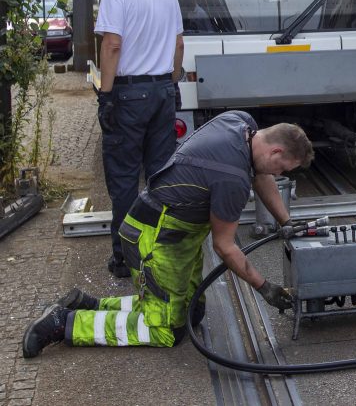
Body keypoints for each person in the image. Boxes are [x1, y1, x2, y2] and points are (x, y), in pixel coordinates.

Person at [22, 111, 315, 357]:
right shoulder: (232, 178)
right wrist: (264, 287)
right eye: (281, 168)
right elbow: (225, 247)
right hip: (155, 241)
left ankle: (89, 303)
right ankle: (65, 322)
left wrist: (285, 221)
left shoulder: (241, 123)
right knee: (166, 331)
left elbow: (261, 174)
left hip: (177, 237)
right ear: (275, 151)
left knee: (192, 313)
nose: (277, 175)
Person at [89, 0, 184, 278]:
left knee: (124, 178)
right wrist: (171, 85)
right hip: (162, 92)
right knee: (160, 176)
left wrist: (107, 95)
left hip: (129, 97)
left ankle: (126, 258)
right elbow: (178, 46)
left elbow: (112, 45)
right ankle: (160, 249)